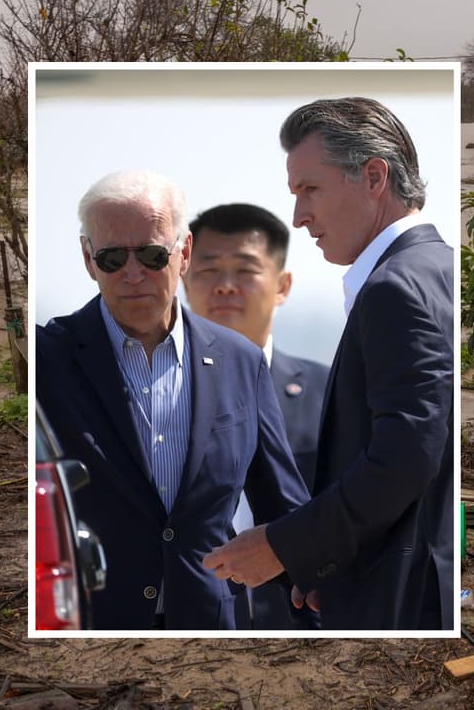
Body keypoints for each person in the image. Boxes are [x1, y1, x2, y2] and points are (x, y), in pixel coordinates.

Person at [204, 97, 455, 630]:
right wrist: (329, 564)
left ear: (372, 177)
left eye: (309, 190)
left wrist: (282, 547)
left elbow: (405, 458)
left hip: (406, 597)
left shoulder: (395, 288)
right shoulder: (435, 267)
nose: (299, 217)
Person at [36, 170, 309, 630]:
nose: (134, 273)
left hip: (212, 626)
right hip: (94, 627)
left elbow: (282, 503)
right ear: (88, 258)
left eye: (151, 253)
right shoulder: (48, 361)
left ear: (184, 253)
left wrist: (316, 585)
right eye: (111, 257)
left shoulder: (240, 360)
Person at [183, 202, 329, 630]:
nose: (226, 287)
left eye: (246, 271)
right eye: (208, 270)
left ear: (282, 285)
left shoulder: (331, 393)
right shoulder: (154, 399)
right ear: (184, 281)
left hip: (305, 625)